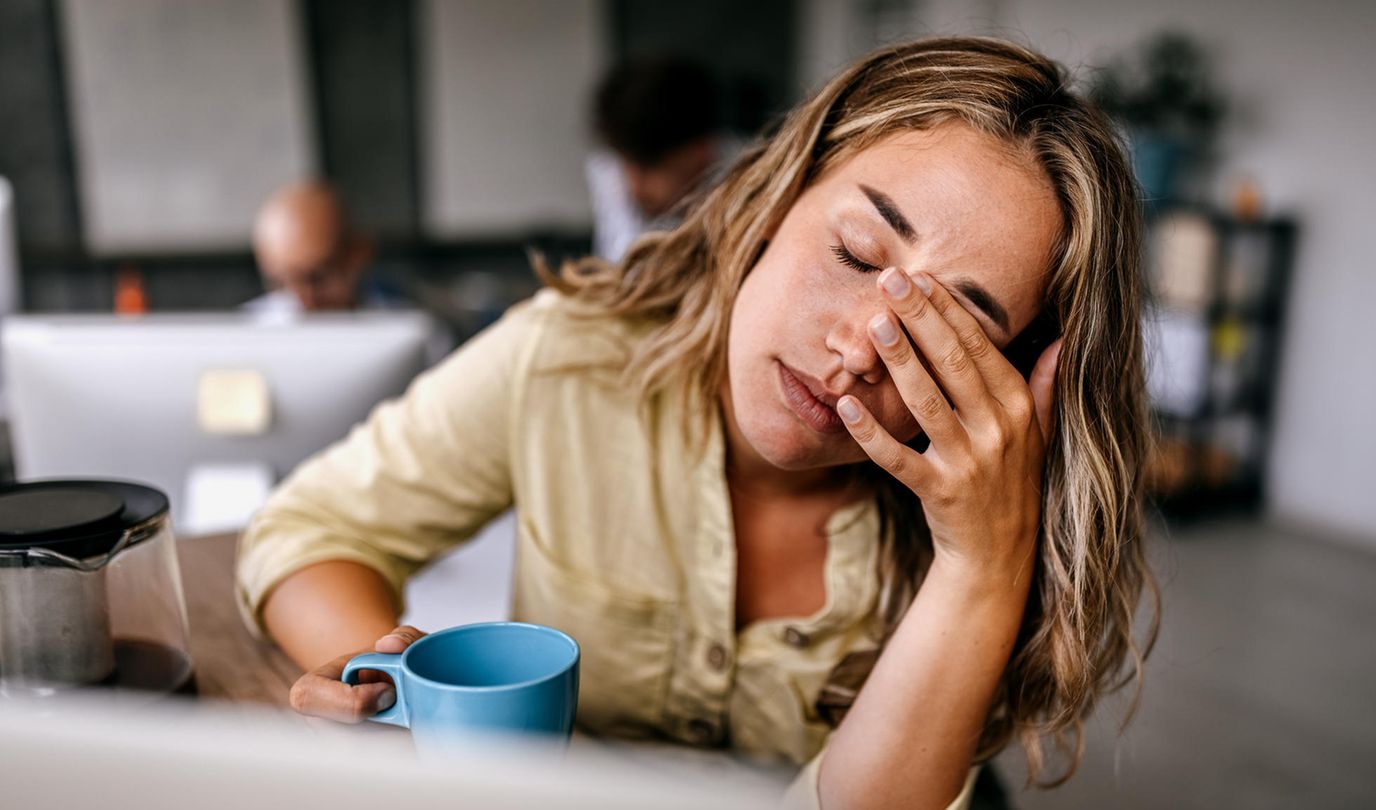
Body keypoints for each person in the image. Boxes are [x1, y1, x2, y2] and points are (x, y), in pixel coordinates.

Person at [237, 38, 1155, 810]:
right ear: (776, 196)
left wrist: (981, 566)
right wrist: (389, 696)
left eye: (948, 331)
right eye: (855, 251)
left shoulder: (983, 516)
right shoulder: (570, 359)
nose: (859, 349)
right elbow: (308, 528)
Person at [586, 57, 738, 262]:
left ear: (701, 150)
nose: (635, 186)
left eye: (650, 167)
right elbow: (620, 266)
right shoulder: (611, 170)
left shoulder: (748, 181)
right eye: (626, 164)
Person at [245, 180, 390, 318]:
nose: (302, 302)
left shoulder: (400, 325)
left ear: (358, 255)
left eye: (316, 278)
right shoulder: (244, 333)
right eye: (282, 282)